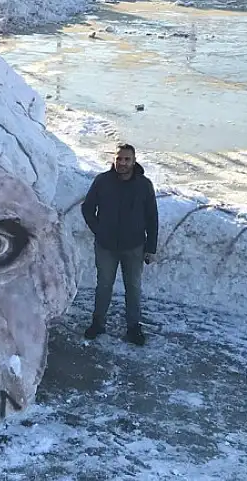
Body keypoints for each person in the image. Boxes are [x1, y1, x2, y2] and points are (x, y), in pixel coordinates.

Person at [80, 143, 159, 345]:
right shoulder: (102, 181)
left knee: (133, 287)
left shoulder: (144, 185)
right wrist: (99, 230)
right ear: (114, 159)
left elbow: (152, 217)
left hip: (134, 246)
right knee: (104, 285)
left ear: (134, 161)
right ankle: (98, 323)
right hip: (106, 246)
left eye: (126, 159)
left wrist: (151, 248)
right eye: (119, 159)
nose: (122, 163)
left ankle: (133, 327)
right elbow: (88, 208)